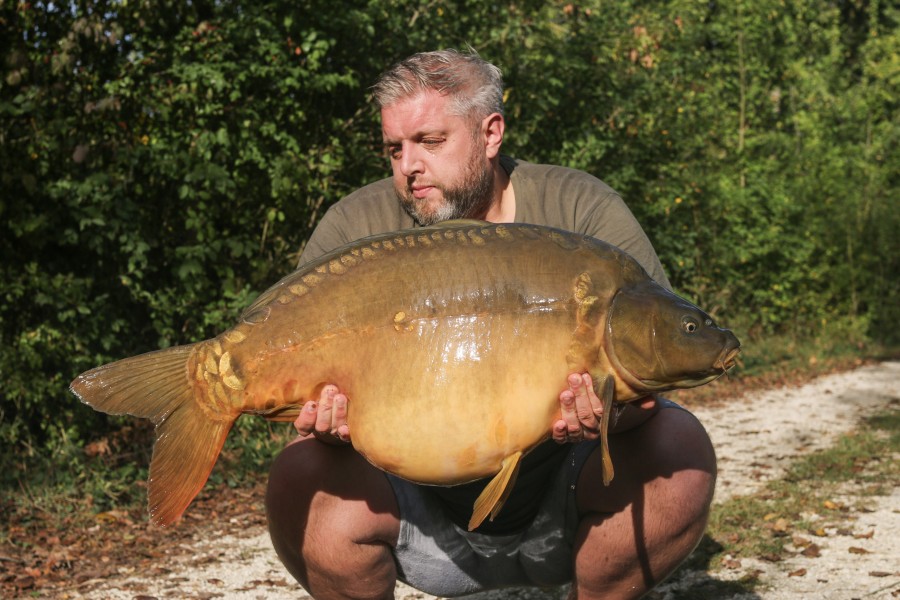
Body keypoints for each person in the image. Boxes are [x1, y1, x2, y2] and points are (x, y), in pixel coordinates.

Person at [265, 49, 716, 600]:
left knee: (679, 447)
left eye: (430, 142)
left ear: (491, 133)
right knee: (298, 473)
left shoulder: (580, 210)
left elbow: (649, 376)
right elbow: (301, 395)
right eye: (394, 148)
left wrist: (604, 418)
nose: (408, 166)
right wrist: (327, 428)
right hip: (414, 511)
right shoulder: (356, 229)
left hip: (566, 505)